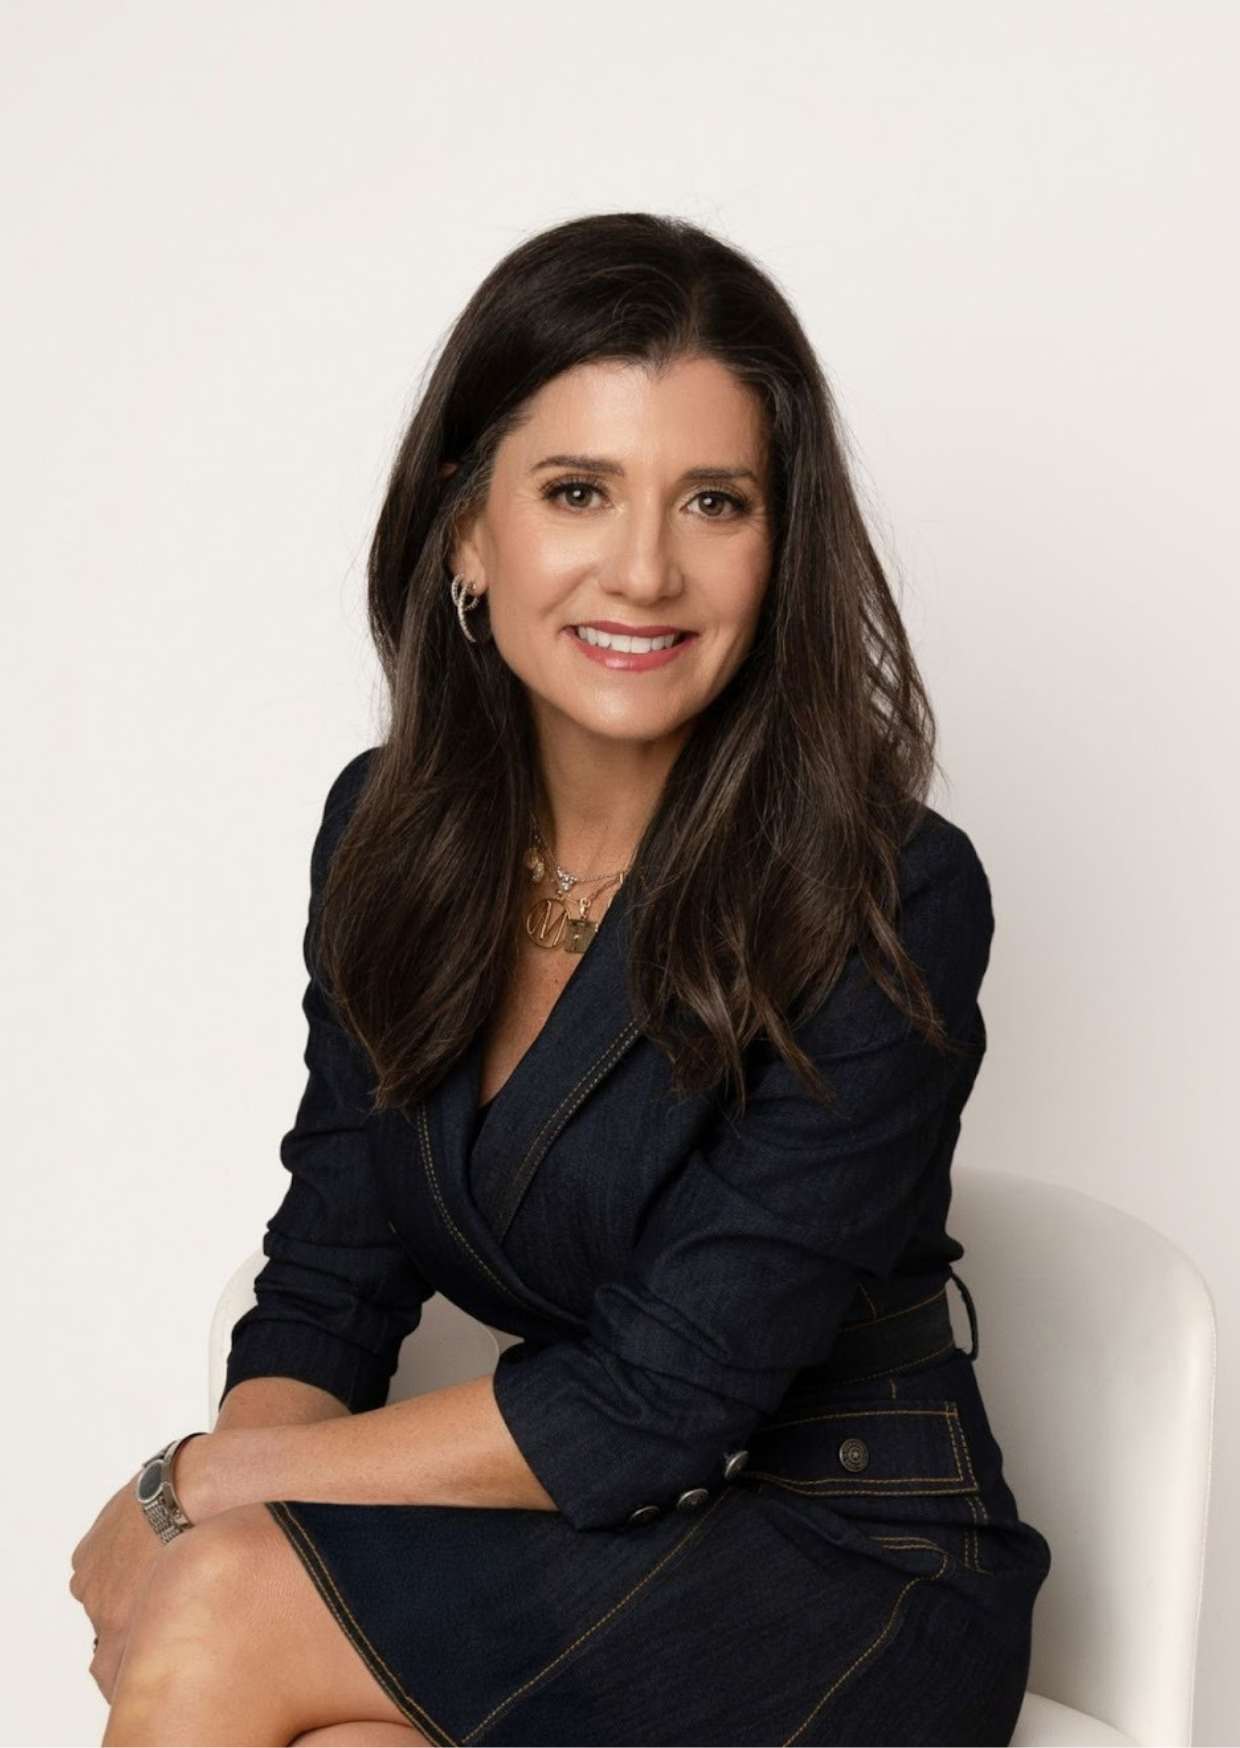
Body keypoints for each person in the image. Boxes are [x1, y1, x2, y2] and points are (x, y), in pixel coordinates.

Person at [72, 211, 1052, 1747]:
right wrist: (227, 1528)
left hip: (853, 1560)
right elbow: (331, 1281)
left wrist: (199, 1493)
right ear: (471, 531)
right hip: (594, 1537)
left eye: (714, 501)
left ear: (779, 548)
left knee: (216, 1607)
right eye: (578, 490)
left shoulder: (888, 889)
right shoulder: (386, 834)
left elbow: (659, 1400)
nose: (645, 569)